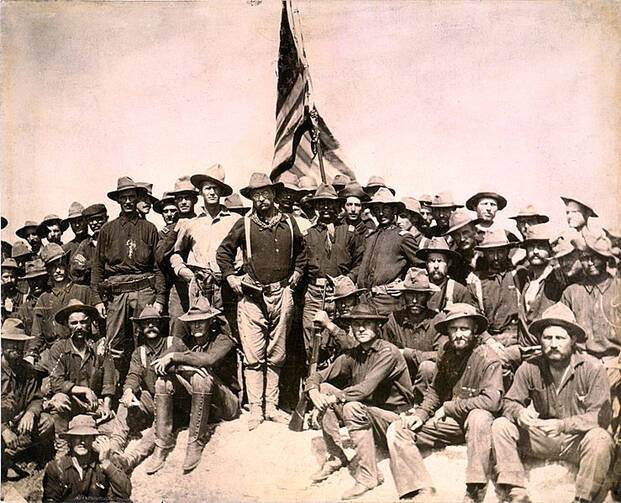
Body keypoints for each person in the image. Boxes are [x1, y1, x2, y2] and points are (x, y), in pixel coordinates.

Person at [491, 303, 614, 503]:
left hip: (574, 441)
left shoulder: (592, 368)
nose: (553, 344)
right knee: (501, 425)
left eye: (560, 338)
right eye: (547, 338)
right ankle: (516, 492)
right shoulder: (530, 366)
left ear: (573, 339)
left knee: (600, 439)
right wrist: (519, 413)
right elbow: (509, 402)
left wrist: (564, 425)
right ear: (540, 339)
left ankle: (583, 498)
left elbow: (600, 416)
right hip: (539, 437)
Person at [386, 303, 502, 503]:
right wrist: (420, 414)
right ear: (447, 331)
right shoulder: (446, 351)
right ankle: (419, 488)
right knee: (398, 429)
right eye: (454, 329)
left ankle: (475, 488)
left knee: (479, 417)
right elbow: (436, 390)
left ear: (474, 330)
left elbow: (491, 401)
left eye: (464, 329)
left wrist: (448, 407)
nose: (459, 334)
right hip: (452, 423)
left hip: (478, 426)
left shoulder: (487, 358)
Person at [217, 172, 306, 430]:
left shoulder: (289, 222)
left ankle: (272, 407)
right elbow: (223, 253)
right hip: (252, 297)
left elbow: (302, 252)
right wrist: (231, 277)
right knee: (254, 355)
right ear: (252, 198)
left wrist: (297, 274)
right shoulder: (244, 224)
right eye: (257, 195)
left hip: (282, 294)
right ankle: (255, 410)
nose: (262, 199)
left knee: (277, 354)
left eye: (266, 193)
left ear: (274, 195)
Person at [307, 302, 414, 500]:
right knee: (325, 389)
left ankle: (368, 476)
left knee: (351, 405)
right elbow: (319, 376)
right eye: (356, 324)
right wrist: (314, 391)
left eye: (367, 323)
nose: (361, 328)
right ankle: (336, 456)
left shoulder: (388, 352)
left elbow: (365, 389)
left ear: (377, 327)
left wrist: (333, 398)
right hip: (368, 415)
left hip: (394, 422)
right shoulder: (354, 353)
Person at [146, 298, 240, 473]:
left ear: (211, 322)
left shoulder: (223, 340)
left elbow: (208, 359)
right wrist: (185, 367)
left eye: (200, 322)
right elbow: (158, 365)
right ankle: (162, 444)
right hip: (199, 406)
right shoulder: (184, 342)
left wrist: (176, 358)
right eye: (192, 323)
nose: (196, 326)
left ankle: (195, 442)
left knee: (201, 378)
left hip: (226, 405)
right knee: (163, 382)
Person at [91, 176, 166, 384]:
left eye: (131, 196)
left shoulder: (149, 228)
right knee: (114, 344)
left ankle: (149, 389)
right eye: (123, 197)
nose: (128, 201)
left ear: (137, 198)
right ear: (118, 200)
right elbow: (97, 267)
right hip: (117, 293)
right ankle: (112, 394)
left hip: (144, 290)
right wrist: (97, 299)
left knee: (147, 339)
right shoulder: (107, 230)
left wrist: (160, 298)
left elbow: (157, 266)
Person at [102, 304, 187, 472]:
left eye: (154, 322)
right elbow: (133, 375)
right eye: (145, 323)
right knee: (125, 402)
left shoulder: (174, 342)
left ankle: (130, 459)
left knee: (160, 422)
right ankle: (114, 448)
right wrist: (128, 391)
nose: (150, 326)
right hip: (154, 400)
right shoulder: (139, 352)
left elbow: (185, 355)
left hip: (178, 404)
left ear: (161, 325)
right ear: (140, 328)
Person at [168, 165, 240, 338]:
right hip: (199, 286)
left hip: (226, 286)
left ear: (222, 192)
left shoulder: (235, 221)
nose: (212, 192)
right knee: (201, 332)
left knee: (229, 332)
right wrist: (182, 270)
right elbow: (176, 253)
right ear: (201, 192)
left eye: (216, 188)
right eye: (208, 188)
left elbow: (244, 253)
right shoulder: (191, 223)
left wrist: (235, 274)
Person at [302, 183, 364, 360]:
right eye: (321, 204)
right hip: (314, 294)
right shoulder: (308, 235)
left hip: (341, 295)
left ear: (338, 206)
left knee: (340, 338)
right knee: (312, 341)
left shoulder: (350, 233)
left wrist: (346, 281)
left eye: (330, 203)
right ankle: (313, 379)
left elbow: (360, 262)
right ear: (316, 207)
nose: (326, 208)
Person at [47, 299, 115, 456]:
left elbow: (108, 381)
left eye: (83, 322)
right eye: (74, 323)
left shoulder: (100, 348)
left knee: (112, 431)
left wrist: (106, 405)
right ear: (67, 325)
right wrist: (84, 390)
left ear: (89, 322)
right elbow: (56, 382)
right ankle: (62, 448)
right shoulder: (59, 349)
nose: (79, 327)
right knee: (59, 400)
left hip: (93, 406)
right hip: (71, 404)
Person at [27, 244, 96, 372]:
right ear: (48, 271)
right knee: (32, 372)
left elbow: (96, 327)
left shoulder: (84, 291)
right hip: (54, 351)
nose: (57, 271)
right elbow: (37, 333)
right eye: (52, 267)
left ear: (67, 266)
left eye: (60, 266)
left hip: (81, 347)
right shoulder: (44, 298)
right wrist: (31, 353)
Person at [1, 319, 54, 480]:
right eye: (11, 343)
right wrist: (3, 429)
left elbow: (36, 398)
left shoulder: (27, 370)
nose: (16, 348)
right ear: (2, 344)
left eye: (20, 344)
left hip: (17, 423)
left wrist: (30, 412)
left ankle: (10, 455)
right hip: (3, 426)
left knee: (46, 422)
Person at [381, 268, 443, 400]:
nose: (414, 300)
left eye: (420, 295)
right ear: (403, 296)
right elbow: (384, 352)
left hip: (430, 384)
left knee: (428, 368)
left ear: (427, 296)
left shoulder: (437, 320)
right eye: (410, 294)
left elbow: (441, 355)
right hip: (400, 379)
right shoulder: (394, 319)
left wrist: (407, 353)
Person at [357, 188, 420, 315]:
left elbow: (421, 267)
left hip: (388, 304)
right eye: (377, 209)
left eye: (385, 208)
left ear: (394, 210)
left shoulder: (403, 237)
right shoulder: (370, 237)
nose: (381, 213)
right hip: (364, 302)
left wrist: (405, 285)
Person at [42, 415, 131, 502]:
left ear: (94, 439)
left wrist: (105, 462)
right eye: (77, 437)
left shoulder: (104, 462)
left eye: (87, 436)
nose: (82, 441)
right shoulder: (56, 467)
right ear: (70, 440)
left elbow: (125, 493)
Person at [468, 230, 522, 350]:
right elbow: (474, 318)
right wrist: (489, 341)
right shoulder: (475, 280)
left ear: (507, 251)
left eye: (501, 251)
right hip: (487, 340)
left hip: (515, 338)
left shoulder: (518, 275)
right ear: (485, 254)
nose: (496, 257)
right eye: (491, 252)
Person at [516, 224, 564, 357]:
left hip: (546, 352)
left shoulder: (558, 280)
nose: (535, 251)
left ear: (550, 250)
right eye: (531, 247)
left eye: (541, 247)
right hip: (523, 349)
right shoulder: (525, 279)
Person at [416, 236, 476, 311]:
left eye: (440, 261)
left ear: (449, 263)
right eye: (432, 261)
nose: (436, 266)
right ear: (426, 263)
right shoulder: (418, 288)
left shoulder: (459, 291)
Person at [75, 203, 109, 287]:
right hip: (93, 289)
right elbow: (75, 267)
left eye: (98, 219)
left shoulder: (115, 240)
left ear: (106, 218)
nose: (94, 223)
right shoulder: (85, 244)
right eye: (91, 220)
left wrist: (87, 264)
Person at [444, 208, 482, 283]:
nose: (462, 239)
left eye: (465, 232)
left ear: (474, 230)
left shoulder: (487, 252)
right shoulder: (454, 259)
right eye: (457, 235)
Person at [15, 259, 49, 336]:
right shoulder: (24, 309)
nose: (35, 283)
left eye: (39, 279)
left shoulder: (54, 300)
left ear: (45, 278)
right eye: (31, 280)